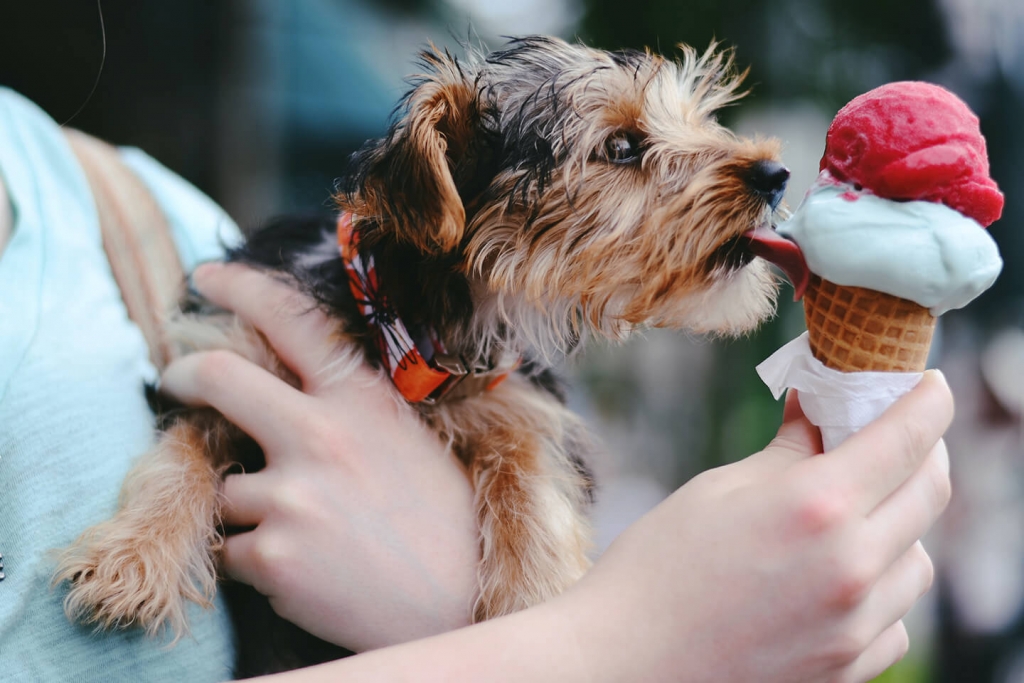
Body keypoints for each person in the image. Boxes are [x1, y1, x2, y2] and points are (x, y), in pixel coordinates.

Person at [0, 85, 953, 682]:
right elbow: (200, 417)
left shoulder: (140, 215)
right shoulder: (260, 288)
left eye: (697, 121)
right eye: (624, 151)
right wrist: (617, 646)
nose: (751, 163)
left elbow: (535, 545)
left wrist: (469, 606)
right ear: (447, 191)